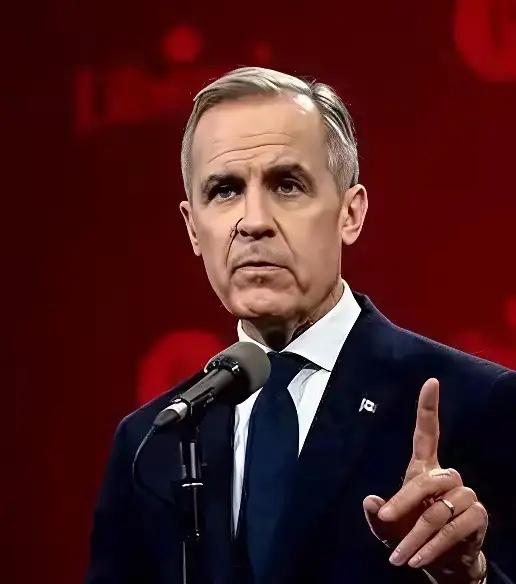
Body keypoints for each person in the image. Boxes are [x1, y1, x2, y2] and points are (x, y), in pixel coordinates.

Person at [86, 67, 516, 584]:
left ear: (350, 213)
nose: (253, 221)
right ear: (193, 228)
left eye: (287, 185)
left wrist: (470, 577)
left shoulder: (477, 405)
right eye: (224, 190)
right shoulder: (150, 443)